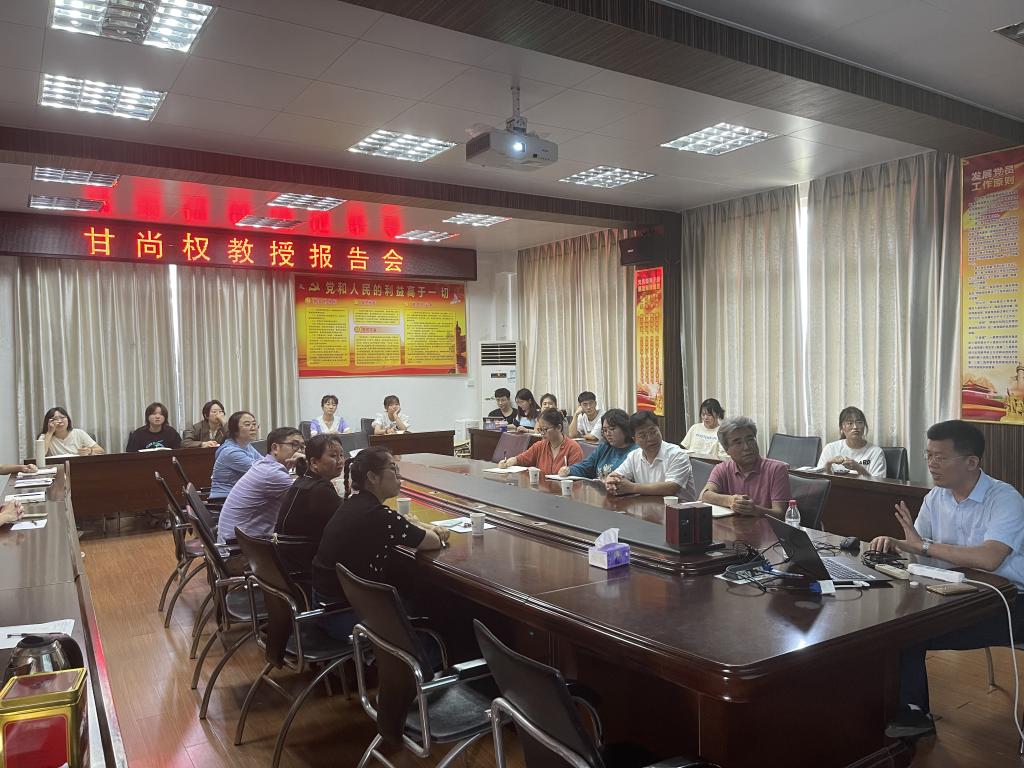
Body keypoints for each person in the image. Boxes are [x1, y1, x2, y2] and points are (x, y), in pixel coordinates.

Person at [869, 420, 1024, 740]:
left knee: (908, 633)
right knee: (895, 627)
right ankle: (908, 710)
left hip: (1009, 601)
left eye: (940, 457)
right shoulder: (936, 498)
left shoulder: (1005, 498)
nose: (931, 464)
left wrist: (923, 546)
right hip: (957, 593)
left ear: (971, 462)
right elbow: (918, 548)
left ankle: (913, 713)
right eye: (928, 456)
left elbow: (990, 558)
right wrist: (895, 543)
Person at [311, 447, 449, 642]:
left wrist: (418, 525)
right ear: (373, 477)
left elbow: (401, 526)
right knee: (438, 613)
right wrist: (428, 528)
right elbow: (433, 542)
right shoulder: (379, 516)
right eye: (393, 469)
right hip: (345, 615)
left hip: (326, 605)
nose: (399, 476)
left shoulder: (354, 505)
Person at [215, 427, 305, 543]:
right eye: (294, 445)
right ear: (275, 448)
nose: (300, 451)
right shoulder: (273, 474)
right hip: (241, 547)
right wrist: (307, 464)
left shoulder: (265, 465)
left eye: (302, 446)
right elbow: (307, 499)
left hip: (240, 539)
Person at [700, 416, 790, 517]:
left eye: (750, 439)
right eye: (738, 443)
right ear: (727, 450)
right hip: (733, 525)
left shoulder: (777, 469)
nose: (747, 447)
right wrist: (730, 500)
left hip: (765, 526)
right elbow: (704, 495)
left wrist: (755, 510)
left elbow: (780, 513)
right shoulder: (722, 469)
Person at [605, 411, 695, 500]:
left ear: (659, 429)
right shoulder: (634, 456)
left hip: (680, 507)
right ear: (635, 439)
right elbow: (615, 475)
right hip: (648, 506)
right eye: (643, 436)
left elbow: (671, 487)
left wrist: (633, 487)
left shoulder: (677, 454)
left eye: (653, 432)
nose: (650, 438)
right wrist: (610, 481)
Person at [277, 433, 346, 542]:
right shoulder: (321, 490)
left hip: (286, 548)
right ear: (314, 462)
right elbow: (347, 520)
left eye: (341, 455)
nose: (341, 461)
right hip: (303, 551)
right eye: (333, 456)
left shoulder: (303, 480)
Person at [498, 409, 583, 475]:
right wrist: (508, 462)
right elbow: (521, 459)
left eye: (545, 429)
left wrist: (567, 472)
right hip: (543, 489)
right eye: (540, 429)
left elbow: (578, 475)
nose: (542, 433)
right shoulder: (540, 445)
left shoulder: (573, 448)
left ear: (558, 428)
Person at [559, 408, 637, 480]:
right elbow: (586, 466)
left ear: (624, 428)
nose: (608, 433)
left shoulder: (636, 452)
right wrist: (569, 470)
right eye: (605, 430)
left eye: (612, 429)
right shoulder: (604, 447)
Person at [815, 406, 887, 478]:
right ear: (841, 427)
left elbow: (879, 482)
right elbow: (819, 480)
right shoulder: (830, 448)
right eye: (850, 423)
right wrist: (828, 465)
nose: (855, 427)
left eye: (859, 422)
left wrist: (859, 468)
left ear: (864, 426)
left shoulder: (876, 452)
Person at [209, 411, 261, 501]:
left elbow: (265, 463)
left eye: (254, 424)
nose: (253, 428)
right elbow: (261, 470)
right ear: (235, 430)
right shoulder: (230, 452)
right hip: (225, 499)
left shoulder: (246, 445)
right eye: (247, 424)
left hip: (239, 495)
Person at [39, 406, 104, 456]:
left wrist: (90, 451)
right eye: (55, 419)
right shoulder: (44, 437)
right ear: (48, 422)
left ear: (68, 419)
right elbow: (40, 457)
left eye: (62, 417)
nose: (60, 421)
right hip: (57, 467)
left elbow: (101, 451)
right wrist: (50, 432)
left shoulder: (79, 433)